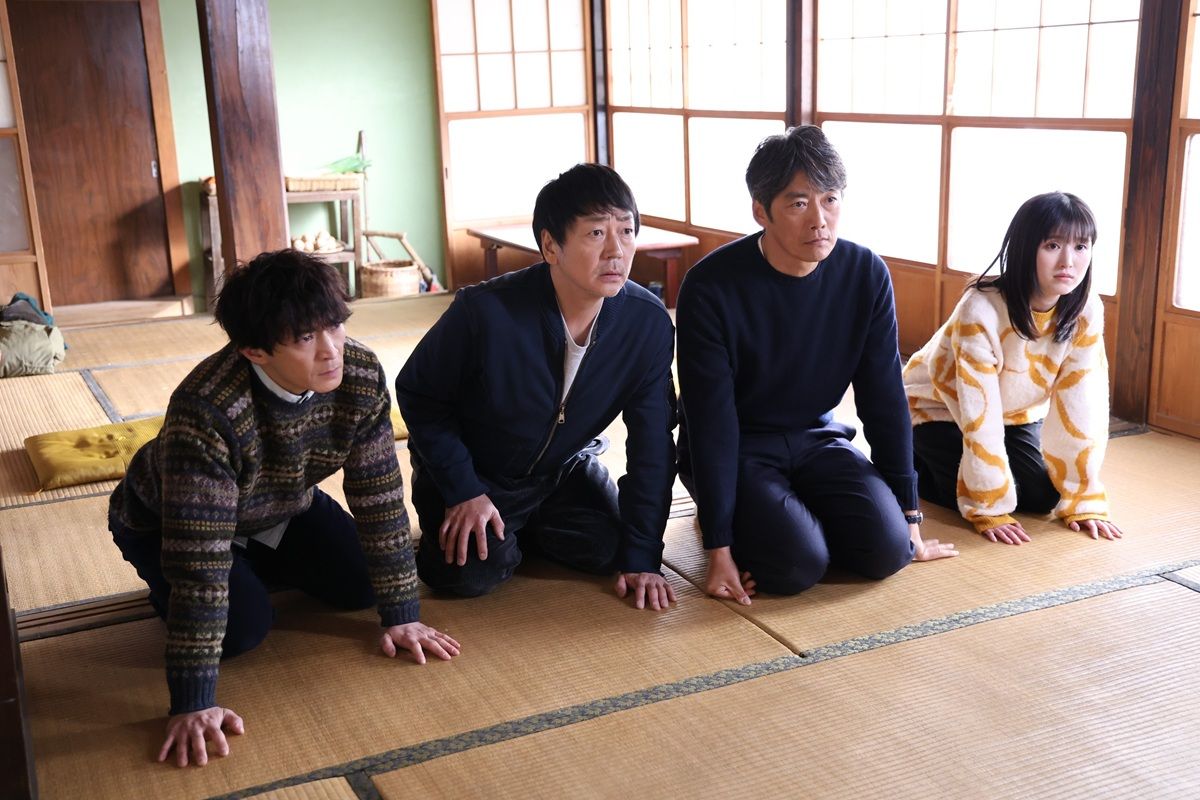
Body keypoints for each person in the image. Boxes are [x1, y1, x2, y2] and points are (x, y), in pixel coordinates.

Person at [109, 250, 459, 768]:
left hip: (281, 508)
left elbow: (379, 496)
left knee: (364, 586)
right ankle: (200, 580)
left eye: (335, 326)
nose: (331, 351)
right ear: (254, 351)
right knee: (242, 630)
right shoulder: (207, 411)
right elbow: (200, 563)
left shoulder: (359, 373)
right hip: (170, 523)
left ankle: (253, 569)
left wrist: (402, 616)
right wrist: (192, 701)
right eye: (305, 338)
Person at [676, 125, 956, 606]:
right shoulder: (710, 286)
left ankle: (790, 519)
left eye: (830, 200)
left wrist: (909, 515)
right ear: (761, 211)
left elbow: (884, 398)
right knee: (795, 566)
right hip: (738, 446)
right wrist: (718, 545)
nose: (819, 221)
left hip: (817, 437)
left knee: (889, 551)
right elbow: (710, 420)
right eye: (799, 203)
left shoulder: (865, 273)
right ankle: (745, 515)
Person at [396, 163, 678, 611]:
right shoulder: (485, 311)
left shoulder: (647, 324)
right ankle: (501, 526)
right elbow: (418, 393)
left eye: (626, 231)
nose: (616, 251)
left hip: (563, 467)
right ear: (550, 246)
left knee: (614, 550)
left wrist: (645, 556)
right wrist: (462, 488)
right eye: (595, 233)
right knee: (467, 576)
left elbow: (653, 443)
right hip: (479, 470)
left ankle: (525, 526)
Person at [903, 191, 1122, 545]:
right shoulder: (981, 308)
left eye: (1081, 246)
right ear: (1025, 247)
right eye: (1052, 245)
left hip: (1015, 414)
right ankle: (904, 460)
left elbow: (1082, 405)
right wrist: (986, 506)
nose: (1068, 261)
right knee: (970, 493)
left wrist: (1084, 500)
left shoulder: (1086, 310)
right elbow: (977, 409)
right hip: (937, 407)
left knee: (1041, 497)